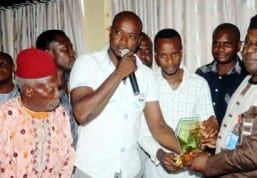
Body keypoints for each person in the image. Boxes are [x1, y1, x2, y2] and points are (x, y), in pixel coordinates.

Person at [186, 13, 257, 177]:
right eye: (248, 42)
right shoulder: (250, 79)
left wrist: (208, 163)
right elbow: (243, 131)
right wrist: (220, 141)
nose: (249, 50)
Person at [69, 11, 181, 178]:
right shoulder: (87, 63)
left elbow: (159, 126)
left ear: (138, 41)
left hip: (130, 171)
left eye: (131, 36)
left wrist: (190, 152)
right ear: (110, 31)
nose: (123, 41)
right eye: (118, 33)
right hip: (92, 170)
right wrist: (119, 73)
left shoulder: (146, 75)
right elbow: (81, 114)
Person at [138, 28, 218, 178]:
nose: (169, 61)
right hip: (156, 172)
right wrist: (160, 154)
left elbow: (208, 123)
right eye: (163, 56)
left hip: (192, 172)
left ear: (181, 52)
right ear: (156, 56)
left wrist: (211, 129)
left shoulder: (199, 84)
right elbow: (143, 133)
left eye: (174, 54)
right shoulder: (148, 84)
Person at [0, 48, 75, 177]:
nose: (58, 94)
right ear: (28, 90)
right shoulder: (4, 117)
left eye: (58, 87)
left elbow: (68, 158)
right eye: (51, 89)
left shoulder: (60, 114)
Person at [196, 23, 248, 125]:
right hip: (204, 138)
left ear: (239, 46)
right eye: (216, 44)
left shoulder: (247, 76)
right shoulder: (202, 74)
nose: (220, 49)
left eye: (227, 44)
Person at [36, 29, 78, 147]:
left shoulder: (77, 81)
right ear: (48, 54)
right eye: (65, 49)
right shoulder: (38, 91)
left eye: (71, 47)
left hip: (82, 158)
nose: (73, 53)